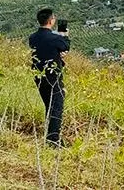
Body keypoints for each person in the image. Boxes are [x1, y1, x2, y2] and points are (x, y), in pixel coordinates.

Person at [28, 8, 70, 147]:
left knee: (48, 106)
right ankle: (53, 141)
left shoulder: (32, 38)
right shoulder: (55, 38)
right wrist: (64, 35)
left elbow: (44, 51)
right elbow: (65, 46)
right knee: (56, 106)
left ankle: (51, 136)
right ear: (51, 21)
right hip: (53, 77)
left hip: (39, 76)